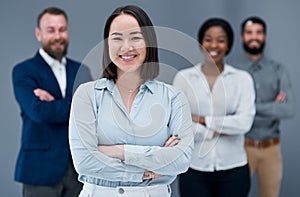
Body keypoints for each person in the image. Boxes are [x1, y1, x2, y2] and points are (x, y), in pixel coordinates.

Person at [68, 5, 194, 197]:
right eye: (117, 38)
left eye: (135, 37)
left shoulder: (173, 97)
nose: (126, 47)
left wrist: (119, 151)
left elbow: (182, 159)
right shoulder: (87, 95)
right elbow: (84, 161)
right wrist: (147, 169)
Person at [12, 7, 91, 197]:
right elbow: (38, 112)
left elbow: (92, 111)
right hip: (39, 170)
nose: (58, 36)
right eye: (51, 30)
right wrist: (76, 104)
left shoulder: (81, 70)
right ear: (38, 33)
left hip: (79, 170)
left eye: (62, 29)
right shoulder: (23, 71)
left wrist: (54, 103)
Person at [173, 18, 256, 197]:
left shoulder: (242, 79)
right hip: (194, 169)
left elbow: (244, 123)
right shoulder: (183, 78)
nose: (214, 45)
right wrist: (220, 128)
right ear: (201, 43)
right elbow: (179, 127)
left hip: (234, 169)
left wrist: (202, 120)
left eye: (221, 40)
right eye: (208, 39)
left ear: (228, 45)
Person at [234, 16, 295, 197]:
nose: (254, 37)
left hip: (271, 149)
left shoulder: (279, 70)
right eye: (249, 33)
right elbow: (225, 109)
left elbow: (288, 109)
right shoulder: (232, 70)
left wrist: (247, 108)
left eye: (259, 33)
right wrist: (272, 106)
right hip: (240, 146)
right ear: (242, 37)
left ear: (265, 36)